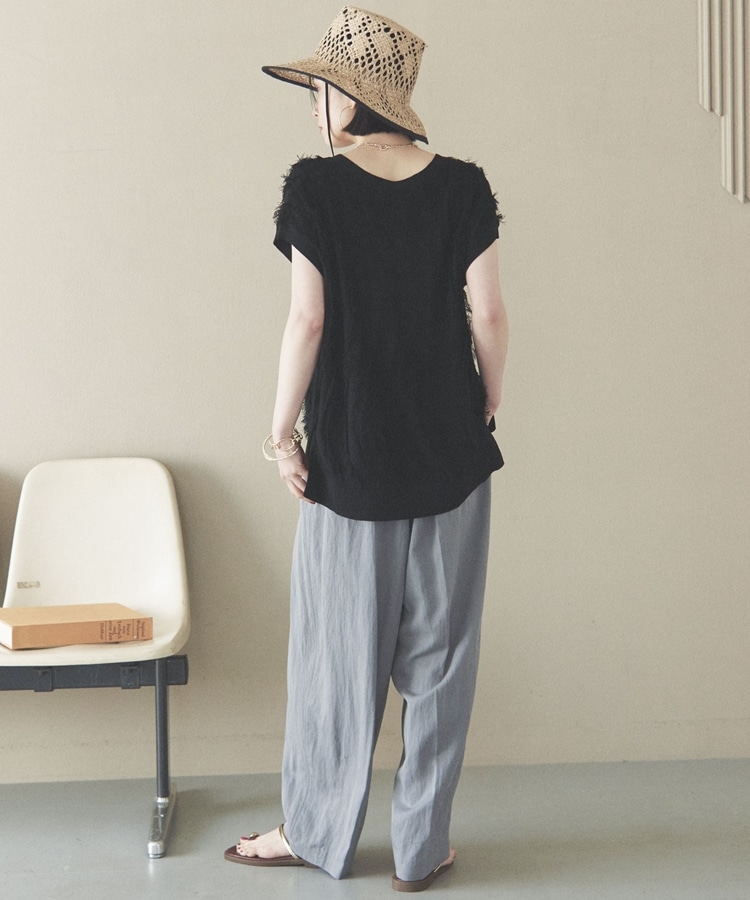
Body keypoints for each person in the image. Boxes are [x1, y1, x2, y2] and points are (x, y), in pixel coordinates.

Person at [224, 6, 508, 893]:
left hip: (350, 461)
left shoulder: (315, 188)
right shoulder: (463, 186)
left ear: (349, 98)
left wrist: (280, 438)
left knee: (335, 663)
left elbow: (306, 321)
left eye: (318, 90)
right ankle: (422, 849)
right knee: (442, 662)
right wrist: (488, 402)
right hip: (453, 456)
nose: (313, 107)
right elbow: (490, 314)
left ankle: (315, 833)